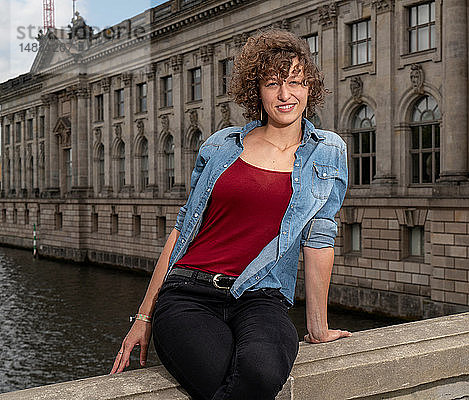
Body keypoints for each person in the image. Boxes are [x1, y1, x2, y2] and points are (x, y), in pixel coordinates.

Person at [109, 29, 351, 400]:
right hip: (189, 292)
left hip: (262, 296)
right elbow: (183, 229)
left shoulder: (328, 150)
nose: (286, 95)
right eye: (273, 84)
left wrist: (318, 328)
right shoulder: (222, 145)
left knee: (262, 370)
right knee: (227, 375)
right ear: (257, 92)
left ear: (309, 88)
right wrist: (143, 317)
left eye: (296, 83)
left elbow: (319, 239)